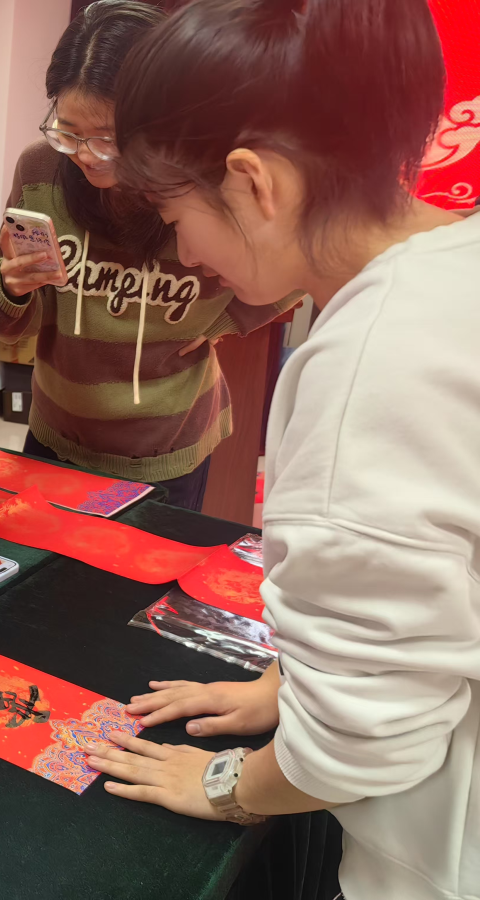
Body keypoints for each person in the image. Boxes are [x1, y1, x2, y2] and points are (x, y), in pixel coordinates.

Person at [74, 2, 479, 899]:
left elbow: (368, 740)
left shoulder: (377, 367)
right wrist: (288, 684)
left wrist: (230, 786)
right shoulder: (454, 264)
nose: (183, 250)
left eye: (174, 212)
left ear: (256, 184)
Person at [0, 0, 300, 511]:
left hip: (165, 450)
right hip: (55, 437)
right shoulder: (41, 171)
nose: (85, 154)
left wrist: (224, 320)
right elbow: (7, 327)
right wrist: (11, 288)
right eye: (68, 131)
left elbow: (299, 268)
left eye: (107, 139)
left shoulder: (208, 185)